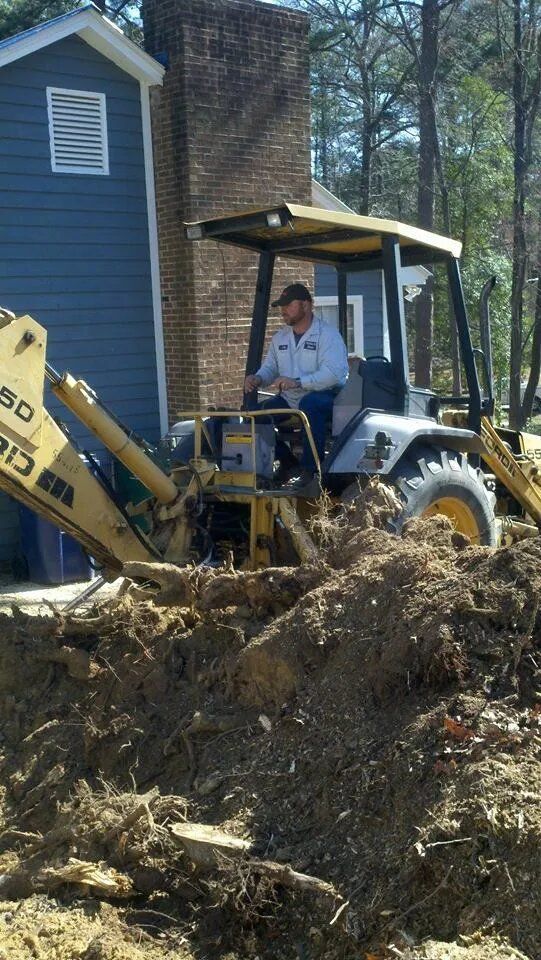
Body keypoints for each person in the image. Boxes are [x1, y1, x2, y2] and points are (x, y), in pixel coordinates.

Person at [244, 282, 349, 487]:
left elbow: (334, 375)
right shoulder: (280, 337)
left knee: (310, 404)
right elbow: (270, 368)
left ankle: (312, 472)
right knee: (254, 416)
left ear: (307, 305)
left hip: (327, 396)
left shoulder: (328, 336)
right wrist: (257, 378)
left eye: (288, 305)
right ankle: (288, 463)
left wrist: (298, 382)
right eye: (281, 306)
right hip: (291, 399)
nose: (283, 310)